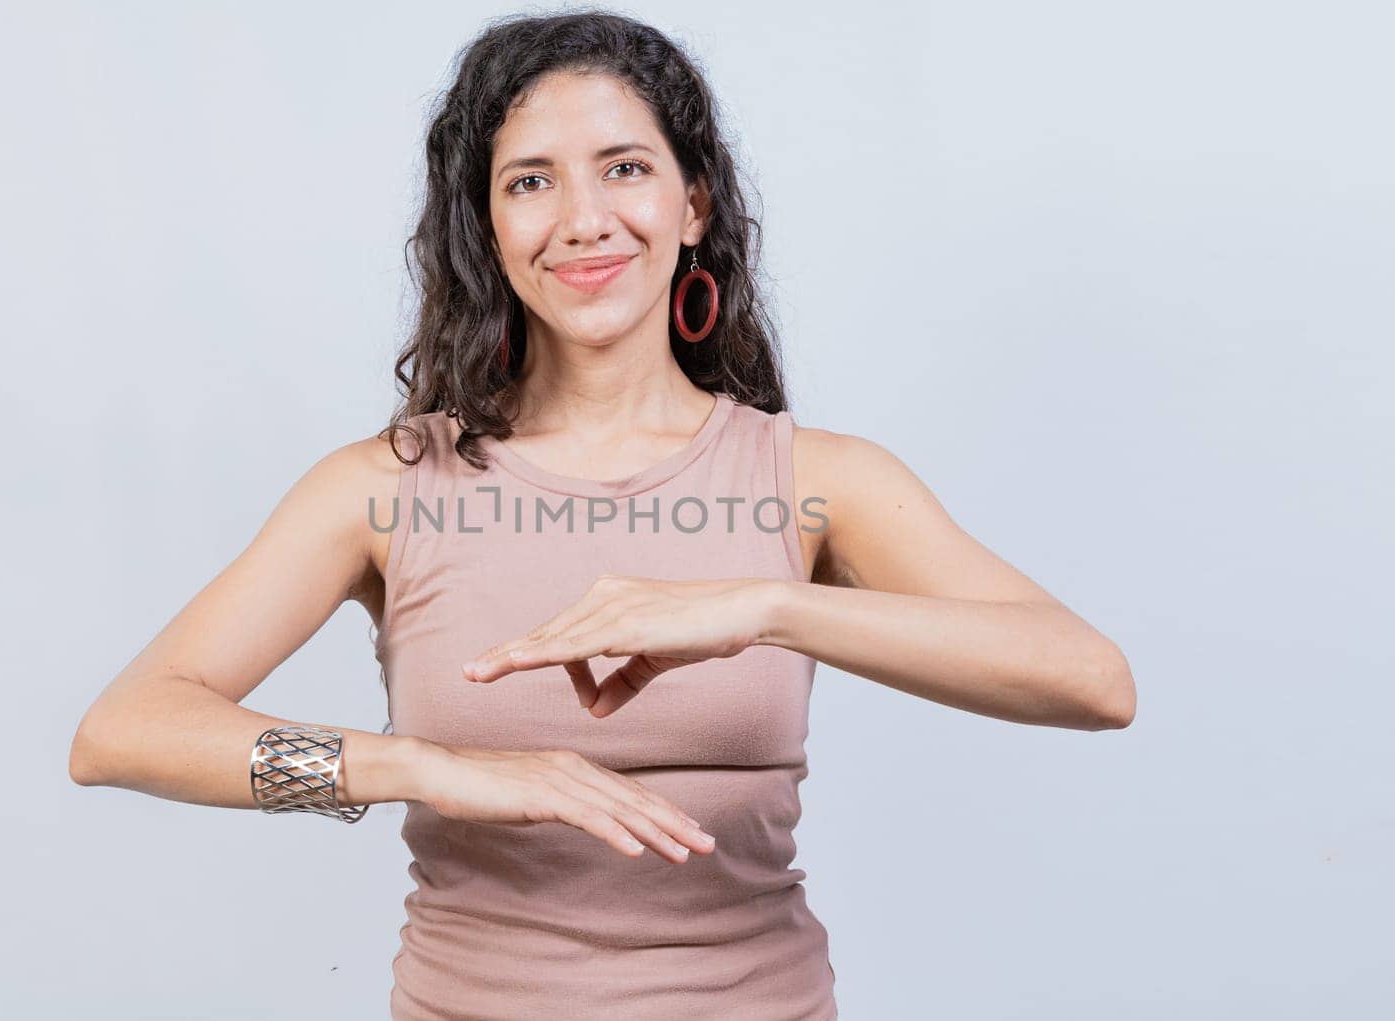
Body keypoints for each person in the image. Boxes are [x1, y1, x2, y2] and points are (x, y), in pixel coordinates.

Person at [68, 11, 1136, 1019]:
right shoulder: (383, 489)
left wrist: (761, 607)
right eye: (530, 181)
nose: (583, 219)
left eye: (624, 167)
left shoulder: (818, 480)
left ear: (693, 205)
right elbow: (122, 734)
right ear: (485, 227)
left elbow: (1091, 682)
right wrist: (415, 765)